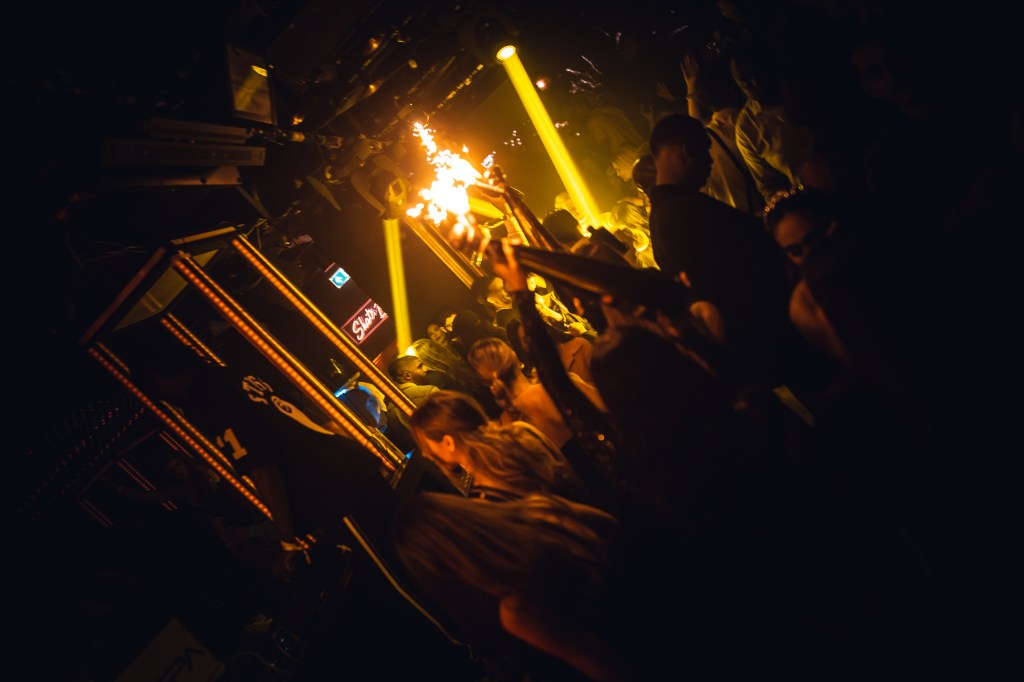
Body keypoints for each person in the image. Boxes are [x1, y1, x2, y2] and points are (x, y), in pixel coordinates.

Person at [646, 112, 808, 391]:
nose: (710, 162)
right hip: (782, 336)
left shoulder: (666, 216)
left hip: (768, 345)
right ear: (687, 149)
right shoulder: (683, 213)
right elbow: (738, 275)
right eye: (706, 152)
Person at [407, 390, 586, 503]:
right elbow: (572, 478)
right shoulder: (522, 431)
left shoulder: (485, 498)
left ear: (448, 443)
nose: (425, 453)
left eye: (425, 444)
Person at [466, 336, 606, 452]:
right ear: (515, 357)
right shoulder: (559, 385)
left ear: (484, 382)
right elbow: (608, 408)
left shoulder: (506, 429)